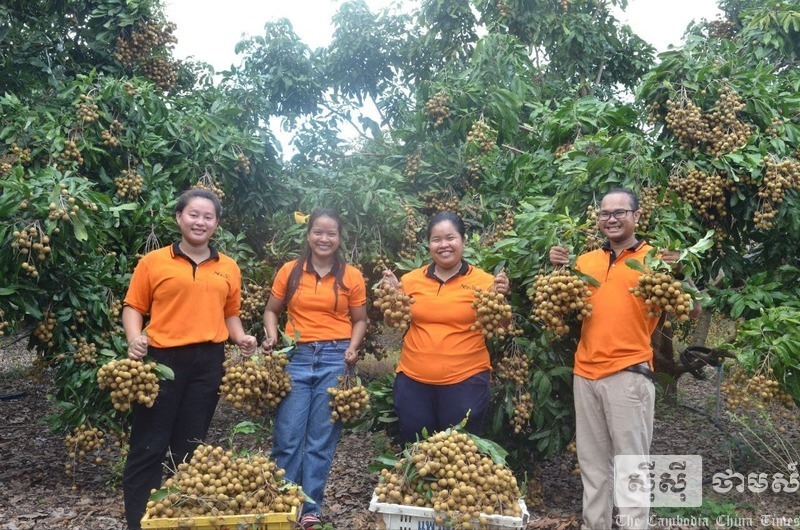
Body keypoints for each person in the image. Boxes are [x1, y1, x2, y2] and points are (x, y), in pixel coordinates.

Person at [549, 188, 701, 530]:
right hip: (585, 374)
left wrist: (680, 272)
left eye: (620, 212)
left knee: (632, 468)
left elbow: (693, 310)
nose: (612, 219)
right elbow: (563, 306)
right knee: (592, 466)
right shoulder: (585, 262)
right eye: (605, 213)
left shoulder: (655, 260)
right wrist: (557, 268)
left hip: (628, 375)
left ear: (636, 216)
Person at [121, 188, 257, 530]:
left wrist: (241, 338)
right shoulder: (153, 262)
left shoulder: (228, 267)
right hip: (162, 360)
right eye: (193, 214)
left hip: (208, 363)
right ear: (179, 217)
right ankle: (139, 523)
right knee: (149, 445)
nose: (200, 222)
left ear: (216, 223)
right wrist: (135, 339)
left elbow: (230, 313)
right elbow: (133, 307)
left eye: (208, 217)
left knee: (190, 448)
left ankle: (177, 518)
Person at [262, 208, 367, 530]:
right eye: (318, 232)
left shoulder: (351, 276)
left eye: (331, 233)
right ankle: (283, 505)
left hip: (336, 358)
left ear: (339, 238)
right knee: (287, 437)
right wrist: (272, 336)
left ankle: (310, 509)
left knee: (320, 441)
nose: (324, 238)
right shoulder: (290, 271)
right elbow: (271, 311)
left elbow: (360, 320)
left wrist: (353, 347)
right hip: (297, 356)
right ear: (308, 235)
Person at [382, 211, 510, 447]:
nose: (444, 245)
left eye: (450, 238)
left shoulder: (484, 282)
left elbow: (501, 328)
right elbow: (393, 323)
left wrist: (501, 298)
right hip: (413, 382)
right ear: (428, 244)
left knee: (459, 453)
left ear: (463, 240)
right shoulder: (410, 280)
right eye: (436, 239)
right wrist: (391, 296)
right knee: (417, 450)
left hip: (466, 383)